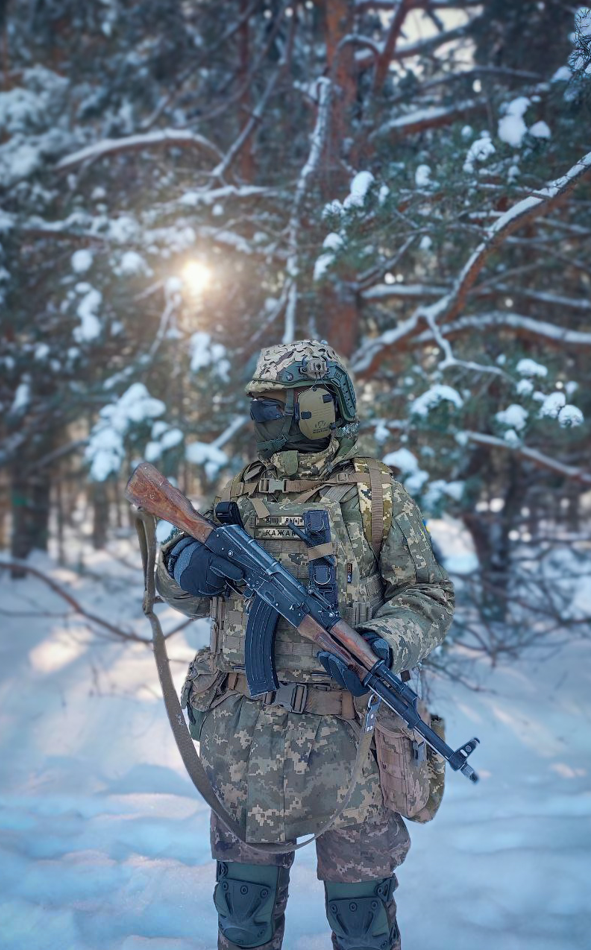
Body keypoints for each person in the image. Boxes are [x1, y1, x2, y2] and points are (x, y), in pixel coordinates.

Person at [156, 340, 455, 950]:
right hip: (247, 744)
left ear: (317, 405)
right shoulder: (243, 491)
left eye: (273, 405)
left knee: (360, 921)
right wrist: (183, 567)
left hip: (352, 747)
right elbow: (190, 597)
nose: (260, 418)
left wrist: (382, 643)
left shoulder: (377, 498)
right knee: (244, 913)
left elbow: (429, 594)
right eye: (260, 405)